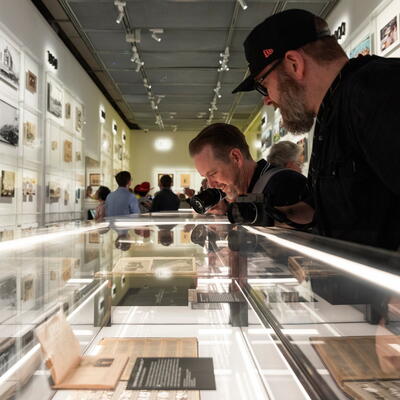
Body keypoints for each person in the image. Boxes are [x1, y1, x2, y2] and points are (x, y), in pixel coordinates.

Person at [232, 9, 400, 250]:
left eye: (264, 85)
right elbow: (332, 209)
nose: (267, 99)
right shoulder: (330, 114)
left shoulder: (375, 90)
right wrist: (276, 214)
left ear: (294, 64)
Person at [188, 123, 314, 226]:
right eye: (206, 177)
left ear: (236, 157)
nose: (211, 184)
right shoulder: (240, 193)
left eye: (213, 173)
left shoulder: (285, 183)